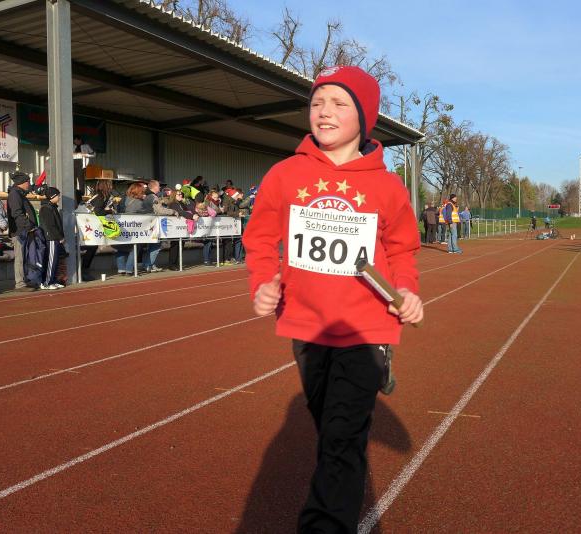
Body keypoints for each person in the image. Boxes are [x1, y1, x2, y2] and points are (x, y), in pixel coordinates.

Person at [243, 65, 423, 533]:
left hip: (366, 329)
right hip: (306, 327)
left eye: (339, 103)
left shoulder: (387, 186)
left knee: (341, 439)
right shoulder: (286, 174)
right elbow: (259, 237)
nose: (324, 112)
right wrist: (263, 282)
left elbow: (403, 249)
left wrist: (407, 289)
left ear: (364, 116)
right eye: (317, 102)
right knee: (331, 431)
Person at [7, 171, 38, 291]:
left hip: (24, 231)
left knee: (24, 257)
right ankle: (20, 283)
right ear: (22, 183)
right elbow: (17, 213)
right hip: (20, 231)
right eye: (28, 181)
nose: (29, 184)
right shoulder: (15, 194)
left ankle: (24, 280)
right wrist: (28, 225)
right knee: (20, 258)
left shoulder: (19, 193)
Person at [80, 179, 116, 281]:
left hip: (88, 223)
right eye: (110, 185)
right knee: (91, 247)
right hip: (87, 223)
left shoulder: (100, 195)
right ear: (107, 186)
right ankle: (84, 271)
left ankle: (84, 271)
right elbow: (98, 211)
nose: (112, 187)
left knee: (92, 247)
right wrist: (109, 211)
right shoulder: (101, 196)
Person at [143, 179, 178, 273]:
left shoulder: (148, 196)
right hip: (153, 224)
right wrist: (172, 211)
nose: (159, 187)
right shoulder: (153, 197)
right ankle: (149, 265)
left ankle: (149, 264)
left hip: (149, 223)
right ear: (154, 187)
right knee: (156, 245)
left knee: (152, 246)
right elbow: (159, 210)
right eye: (158, 186)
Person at [116, 183, 149, 275]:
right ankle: (129, 269)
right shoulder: (139, 203)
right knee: (135, 247)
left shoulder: (123, 199)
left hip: (122, 226)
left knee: (121, 247)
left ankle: (121, 268)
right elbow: (146, 212)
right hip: (134, 228)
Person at [38, 187, 65, 289]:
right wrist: (60, 237)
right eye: (58, 195)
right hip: (51, 238)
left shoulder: (52, 207)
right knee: (51, 261)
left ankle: (52, 280)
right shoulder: (46, 208)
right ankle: (47, 282)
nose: (59, 197)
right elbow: (50, 226)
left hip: (53, 237)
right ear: (52, 196)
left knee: (54, 260)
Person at [166, 189, 199, 270]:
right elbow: (181, 212)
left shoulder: (182, 203)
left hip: (182, 229)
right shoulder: (173, 204)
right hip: (175, 228)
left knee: (181, 245)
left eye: (181, 194)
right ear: (174, 196)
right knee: (175, 245)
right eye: (179, 194)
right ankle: (172, 264)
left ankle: (177, 263)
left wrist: (195, 213)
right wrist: (192, 216)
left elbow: (190, 209)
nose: (181, 195)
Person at [72, 135, 95, 203]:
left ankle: (81, 197)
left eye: (76, 141)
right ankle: (74, 196)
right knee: (73, 181)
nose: (75, 142)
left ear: (80, 140)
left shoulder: (86, 146)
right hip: (72, 163)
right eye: (74, 141)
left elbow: (94, 154)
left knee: (81, 181)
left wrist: (86, 154)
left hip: (81, 164)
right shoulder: (72, 146)